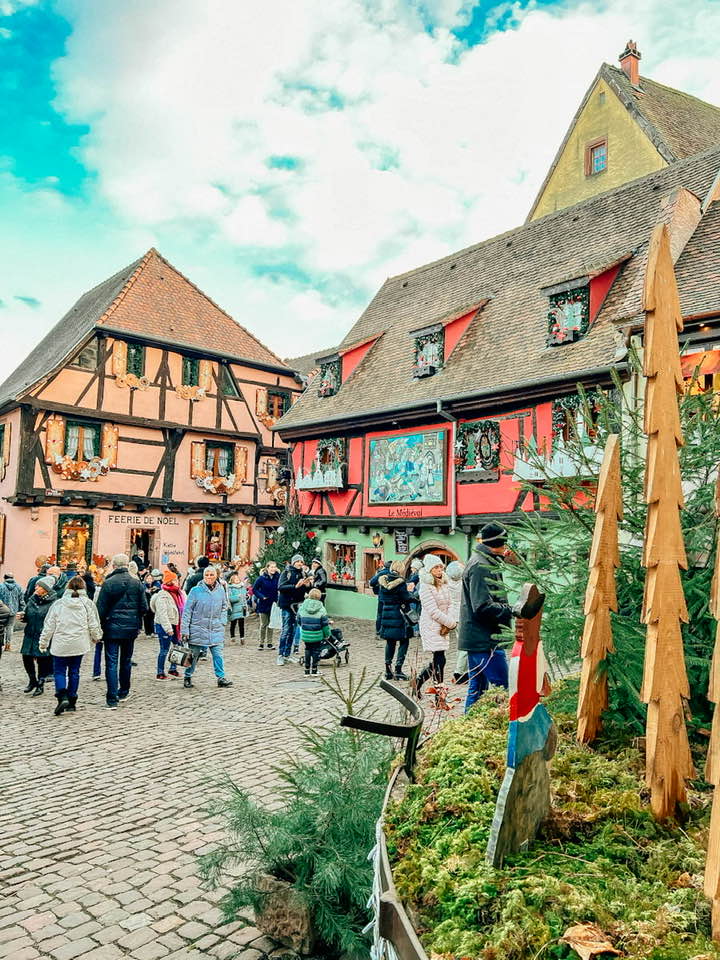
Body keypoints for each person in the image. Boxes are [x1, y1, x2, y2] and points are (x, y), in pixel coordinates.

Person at [459, 522, 544, 713]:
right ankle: (501, 726)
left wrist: (513, 562)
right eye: (505, 544)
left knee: (477, 689)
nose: (507, 548)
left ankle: (469, 727)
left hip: (479, 638)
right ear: (498, 543)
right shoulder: (481, 566)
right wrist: (514, 609)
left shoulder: (484, 560)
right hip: (486, 640)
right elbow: (481, 607)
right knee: (503, 688)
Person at [39, 575, 102, 715]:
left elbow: (49, 625)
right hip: (79, 643)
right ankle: (72, 699)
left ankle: (62, 696)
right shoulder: (87, 604)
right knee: (74, 671)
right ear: (83, 588)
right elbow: (93, 623)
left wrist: (43, 643)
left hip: (60, 644)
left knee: (59, 671)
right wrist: (97, 637)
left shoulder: (59, 604)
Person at [96, 553, 148, 709]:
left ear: (114, 566)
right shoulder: (136, 583)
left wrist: (99, 626)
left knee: (111, 662)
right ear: (127, 565)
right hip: (130, 628)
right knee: (126, 660)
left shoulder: (109, 583)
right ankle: (124, 691)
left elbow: (101, 609)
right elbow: (144, 607)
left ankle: (112, 698)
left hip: (111, 628)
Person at [181, 565, 232, 689]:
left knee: (218, 655)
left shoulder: (220, 590)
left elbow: (224, 606)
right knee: (194, 655)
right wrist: (185, 630)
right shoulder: (195, 591)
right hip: (198, 628)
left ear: (216, 576)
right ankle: (188, 676)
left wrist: (222, 621)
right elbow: (187, 611)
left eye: (211, 575)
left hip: (215, 628)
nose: (209, 577)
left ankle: (221, 677)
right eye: (207, 575)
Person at [413, 555, 456, 699]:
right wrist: (449, 623)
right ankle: (439, 695)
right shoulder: (425, 586)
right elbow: (432, 610)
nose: (439, 570)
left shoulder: (444, 583)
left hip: (443, 624)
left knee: (440, 660)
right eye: (436, 568)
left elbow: (450, 604)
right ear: (429, 570)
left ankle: (419, 682)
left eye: (440, 567)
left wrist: (448, 620)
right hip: (431, 625)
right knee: (439, 659)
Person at [377, 561, 415, 681]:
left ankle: (388, 671)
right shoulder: (400, 582)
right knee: (404, 641)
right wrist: (413, 596)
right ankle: (398, 670)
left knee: (390, 642)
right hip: (399, 615)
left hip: (386, 613)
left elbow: (382, 598)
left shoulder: (383, 581)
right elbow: (406, 598)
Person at [19, 575, 57, 696]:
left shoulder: (53, 603)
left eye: (38, 586)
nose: (35, 588)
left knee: (42, 660)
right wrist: (24, 617)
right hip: (30, 633)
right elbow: (28, 613)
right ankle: (32, 680)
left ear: (45, 589)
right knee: (26, 657)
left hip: (43, 634)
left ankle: (40, 683)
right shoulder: (32, 599)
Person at [151, 569, 186, 679]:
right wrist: (168, 628)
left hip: (176, 625)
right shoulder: (163, 595)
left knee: (178, 647)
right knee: (164, 649)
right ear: (170, 582)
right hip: (164, 625)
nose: (178, 582)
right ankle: (160, 672)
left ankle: (173, 668)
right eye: (175, 580)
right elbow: (162, 614)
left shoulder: (180, 593)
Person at [277, 555, 311, 666]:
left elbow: (305, 589)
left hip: (298, 605)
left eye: (302, 561)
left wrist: (307, 585)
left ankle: (288, 654)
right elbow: (281, 587)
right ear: (293, 563)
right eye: (298, 562)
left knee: (293, 630)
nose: (300, 563)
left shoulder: (303, 573)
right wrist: (295, 586)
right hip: (287, 605)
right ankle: (281, 655)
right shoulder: (286, 572)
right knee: (286, 629)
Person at [297, 588, 330, 677]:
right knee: (316, 651)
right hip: (317, 634)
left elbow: (298, 620)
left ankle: (307, 670)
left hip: (306, 633)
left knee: (307, 649)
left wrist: (303, 626)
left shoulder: (302, 607)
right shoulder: (322, 609)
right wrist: (327, 634)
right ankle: (314, 670)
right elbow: (325, 625)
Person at [446, 561, 467, 683]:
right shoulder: (463, 584)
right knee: (464, 645)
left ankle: (464, 669)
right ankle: (459, 672)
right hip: (462, 615)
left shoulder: (448, 583)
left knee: (460, 644)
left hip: (453, 617)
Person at [253, 561, 279, 650]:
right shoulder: (261, 578)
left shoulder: (277, 577)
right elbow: (254, 589)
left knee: (271, 624)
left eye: (274, 567)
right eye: (271, 567)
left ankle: (269, 643)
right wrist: (261, 597)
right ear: (267, 568)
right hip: (263, 603)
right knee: (264, 624)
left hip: (273, 604)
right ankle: (261, 643)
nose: (273, 569)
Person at [370, 557, 392, 636]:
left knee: (380, 614)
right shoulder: (394, 574)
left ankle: (379, 630)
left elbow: (372, 582)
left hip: (382, 596)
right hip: (392, 597)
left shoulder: (382, 573)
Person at [2, 572, 24, 651]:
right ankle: (8, 646)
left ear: (4, 578)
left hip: (2, 610)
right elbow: (21, 600)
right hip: (13, 610)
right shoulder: (18, 587)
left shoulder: (1, 586)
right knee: (10, 627)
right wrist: (22, 610)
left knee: (1, 627)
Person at [227, 572, 247, 643]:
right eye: (235, 579)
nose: (237, 580)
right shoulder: (230, 588)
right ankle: (232, 636)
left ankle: (242, 637)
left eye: (238, 579)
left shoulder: (242, 587)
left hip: (242, 608)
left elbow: (245, 595)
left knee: (241, 624)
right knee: (233, 624)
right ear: (232, 581)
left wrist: (247, 597)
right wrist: (237, 597)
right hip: (234, 609)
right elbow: (229, 598)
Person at [143, 570, 161, 636]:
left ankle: (154, 631)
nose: (149, 580)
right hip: (146, 603)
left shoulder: (156, 585)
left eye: (150, 578)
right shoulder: (144, 586)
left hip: (154, 604)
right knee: (146, 618)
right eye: (148, 578)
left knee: (153, 618)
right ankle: (148, 632)